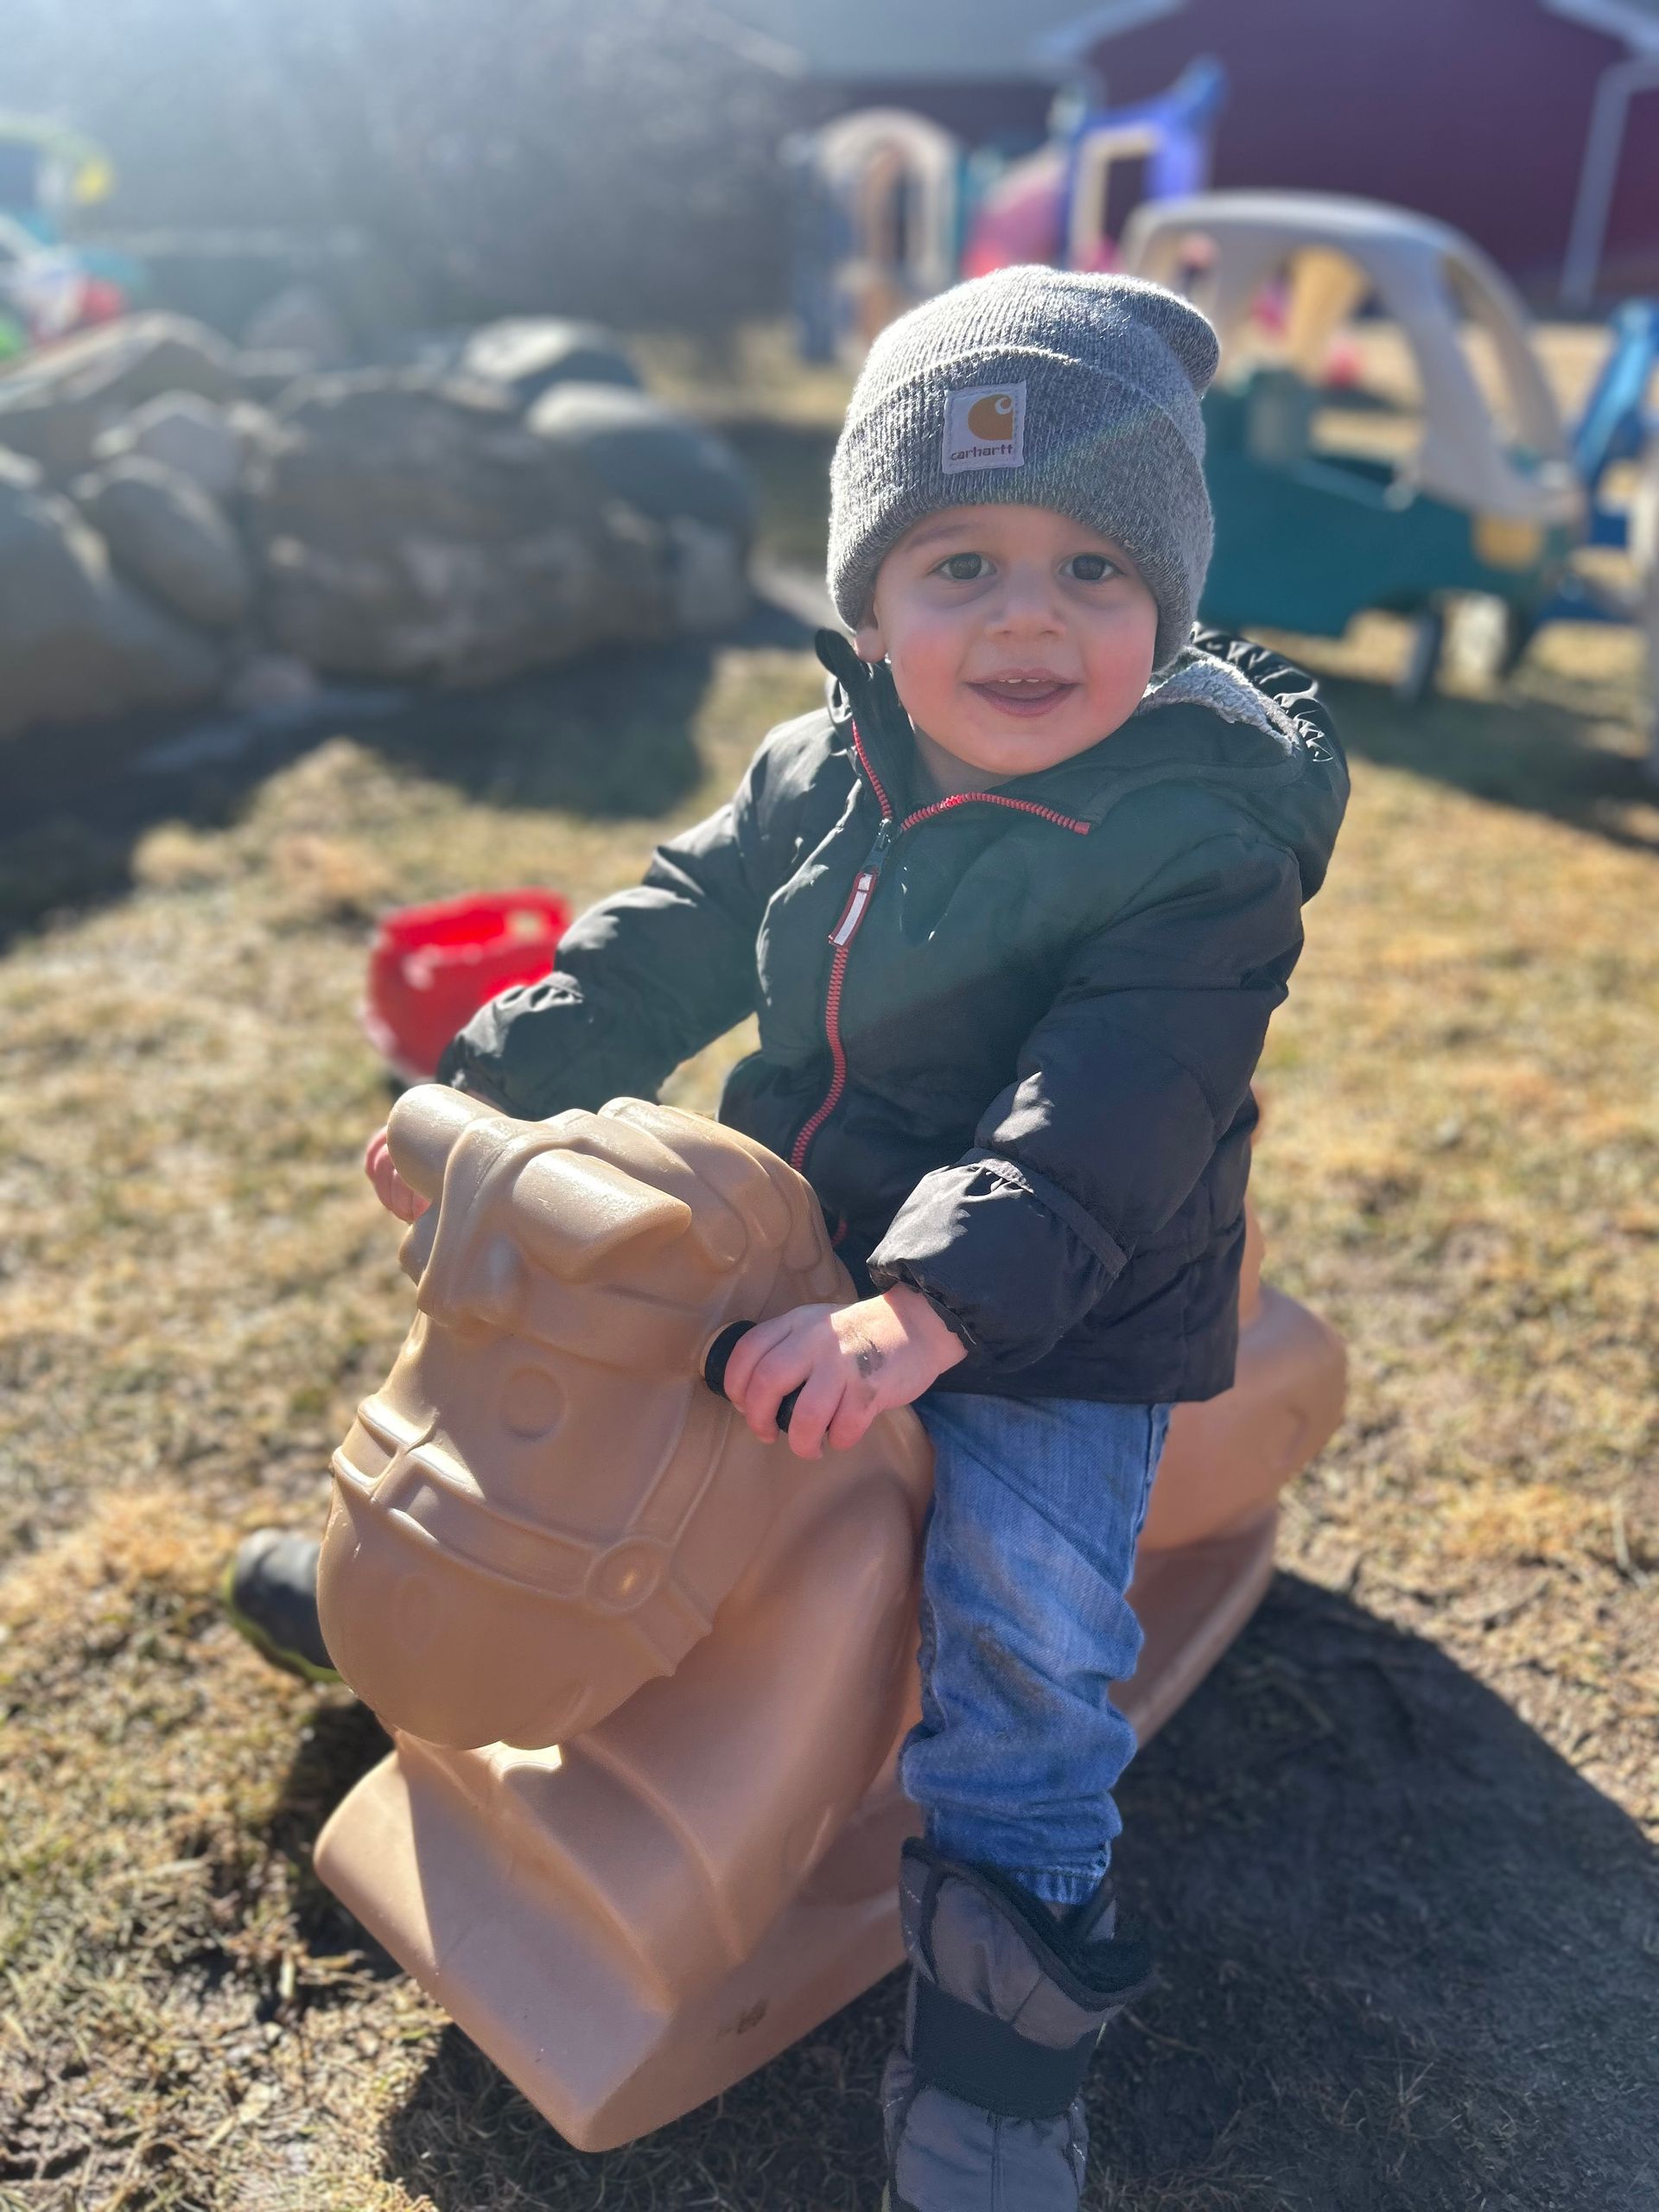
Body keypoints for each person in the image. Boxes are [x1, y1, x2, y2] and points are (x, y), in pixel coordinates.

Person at [226, 265, 1348, 2211]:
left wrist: (923, 1311)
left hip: (1056, 1294)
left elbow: (1109, 1110)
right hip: (814, 1226)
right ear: (867, 598)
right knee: (573, 1327)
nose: (1026, 616)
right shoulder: (825, 760)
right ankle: (462, 1608)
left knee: (1023, 1634)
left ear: (1163, 609)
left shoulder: (1197, 842)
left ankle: (1001, 2048)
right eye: (961, 560)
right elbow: (668, 918)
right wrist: (501, 1075)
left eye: (1095, 568)